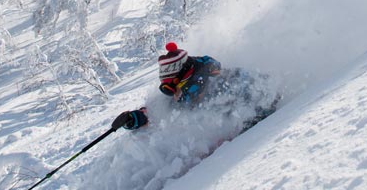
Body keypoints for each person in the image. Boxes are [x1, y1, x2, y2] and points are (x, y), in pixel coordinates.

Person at [111, 42, 274, 131]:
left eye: (171, 75)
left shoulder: (209, 80)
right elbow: (161, 112)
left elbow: (185, 101)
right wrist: (133, 118)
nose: (172, 90)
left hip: (258, 113)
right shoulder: (180, 93)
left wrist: (254, 116)